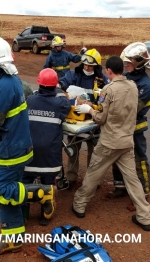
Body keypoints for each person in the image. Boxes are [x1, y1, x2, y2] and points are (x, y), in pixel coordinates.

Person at [0, 36, 55, 255]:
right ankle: (13, 238)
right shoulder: (5, 79)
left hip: (10, 148)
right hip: (9, 145)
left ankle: (42, 193)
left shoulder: (5, 84)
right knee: (5, 194)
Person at [72, 55, 150, 231]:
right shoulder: (133, 87)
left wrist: (89, 109)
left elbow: (101, 117)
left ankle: (79, 204)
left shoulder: (108, 90)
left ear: (108, 71)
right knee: (132, 180)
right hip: (126, 142)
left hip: (109, 142)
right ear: (122, 70)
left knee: (93, 173)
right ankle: (144, 216)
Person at [22, 68, 71, 226]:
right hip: (50, 157)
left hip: (29, 154)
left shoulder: (29, 100)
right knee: (48, 184)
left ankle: (23, 214)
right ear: (55, 85)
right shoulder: (61, 103)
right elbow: (66, 101)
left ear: (39, 84)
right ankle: (45, 214)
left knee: (24, 183)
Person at [110, 42, 150, 198]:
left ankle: (144, 191)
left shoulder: (146, 86)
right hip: (121, 125)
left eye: (128, 62)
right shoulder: (126, 77)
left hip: (136, 126)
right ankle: (120, 186)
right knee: (117, 156)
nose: (125, 65)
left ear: (138, 63)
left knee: (139, 158)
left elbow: (131, 110)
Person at [58, 48, 110, 189]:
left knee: (94, 153)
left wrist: (93, 107)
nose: (87, 68)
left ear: (97, 66)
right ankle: (71, 177)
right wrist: (70, 98)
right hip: (75, 120)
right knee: (72, 150)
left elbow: (107, 101)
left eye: (90, 66)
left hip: (93, 121)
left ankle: (93, 180)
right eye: (85, 65)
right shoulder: (73, 75)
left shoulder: (102, 80)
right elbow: (60, 86)